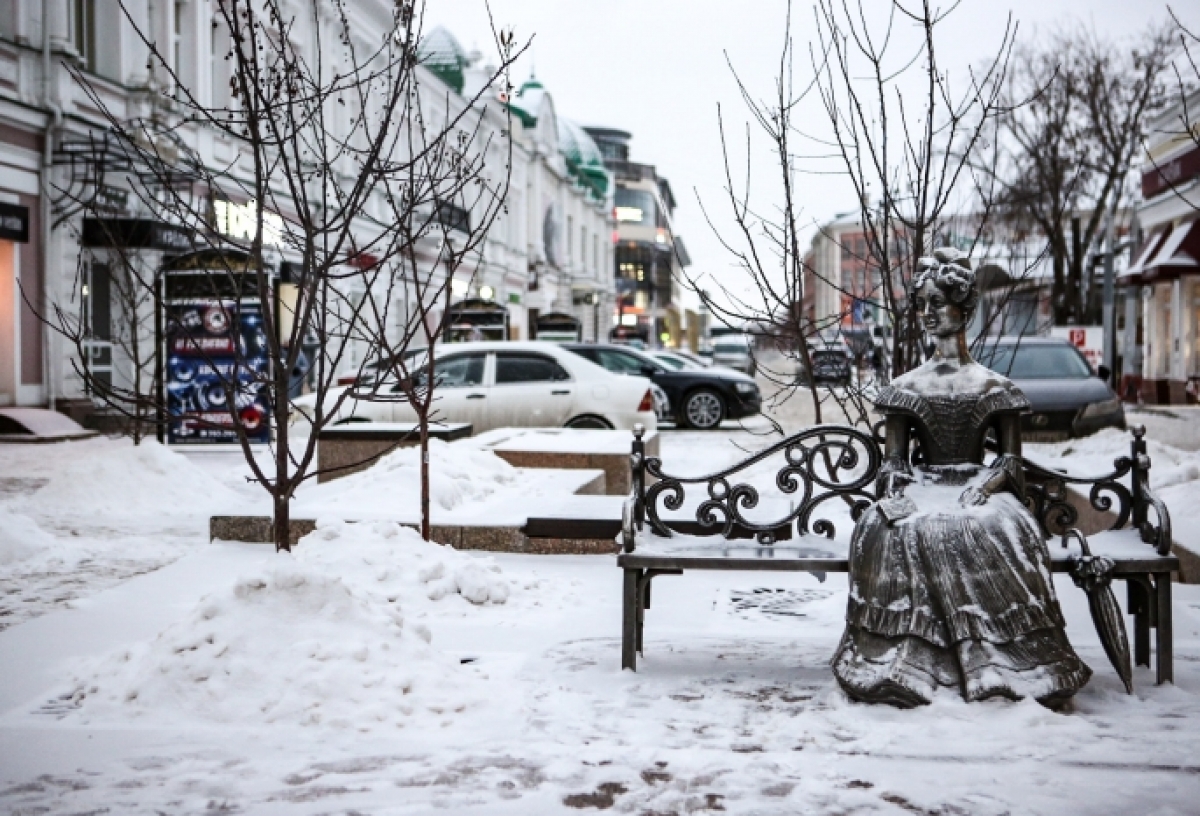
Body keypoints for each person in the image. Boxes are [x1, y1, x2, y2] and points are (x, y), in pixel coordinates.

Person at [831, 247, 1091, 708]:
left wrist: (986, 486)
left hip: (979, 488)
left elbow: (1011, 464)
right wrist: (897, 490)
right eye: (923, 304)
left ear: (965, 308)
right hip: (924, 487)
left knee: (990, 525)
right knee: (900, 528)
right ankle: (908, 664)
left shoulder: (994, 386)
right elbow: (894, 463)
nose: (928, 314)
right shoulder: (907, 387)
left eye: (938, 302)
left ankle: (1003, 663)